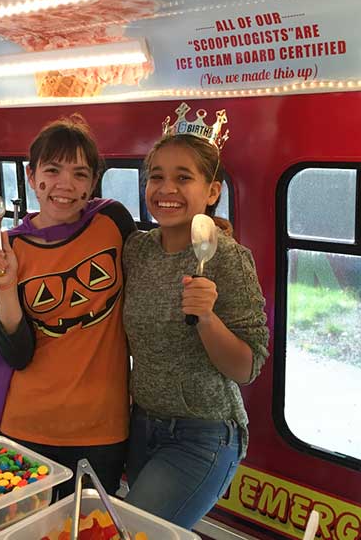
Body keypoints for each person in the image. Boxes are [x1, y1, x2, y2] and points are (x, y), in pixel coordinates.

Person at [122, 103, 270, 529]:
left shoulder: (228, 259)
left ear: (212, 191)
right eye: (157, 176)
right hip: (140, 425)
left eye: (183, 177)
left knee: (135, 533)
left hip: (201, 435)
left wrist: (207, 318)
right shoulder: (138, 250)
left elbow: (246, 368)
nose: (166, 188)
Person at [0, 115, 136, 497]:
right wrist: (6, 287)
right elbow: (16, 355)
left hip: (103, 429)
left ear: (93, 182)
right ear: (33, 177)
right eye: (53, 170)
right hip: (26, 427)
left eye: (80, 174)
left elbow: (158, 262)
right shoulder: (9, 249)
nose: (66, 185)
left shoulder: (113, 222)